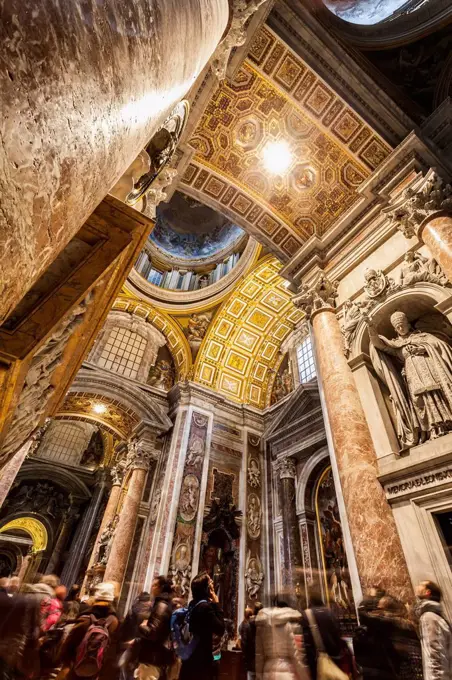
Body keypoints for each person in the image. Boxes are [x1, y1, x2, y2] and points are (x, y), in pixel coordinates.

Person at [57, 582, 119, 680]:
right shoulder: (115, 621)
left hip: (76, 666)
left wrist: (65, 663)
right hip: (97, 668)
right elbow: (112, 650)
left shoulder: (85, 619)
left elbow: (69, 644)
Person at [356, 593, 422, 680]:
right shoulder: (403, 623)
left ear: (385, 609)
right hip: (406, 667)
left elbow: (366, 617)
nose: (376, 610)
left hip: (402, 669)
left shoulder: (391, 622)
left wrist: (365, 607)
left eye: (379, 607)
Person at [179, 572, 225, 680]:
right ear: (207, 588)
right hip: (200, 662)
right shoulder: (205, 608)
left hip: (189, 658)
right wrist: (216, 604)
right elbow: (220, 629)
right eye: (210, 582)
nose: (213, 582)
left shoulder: (192, 604)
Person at [255, 595, 307, 680]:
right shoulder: (287, 625)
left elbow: (259, 656)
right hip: (285, 672)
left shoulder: (262, 626)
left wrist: (258, 675)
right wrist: (303, 675)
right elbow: (294, 655)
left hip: (268, 671)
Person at [135, 578, 175, 680]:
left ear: (161, 588)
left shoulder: (162, 606)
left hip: (152, 658)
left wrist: (142, 626)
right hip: (151, 656)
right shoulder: (160, 604)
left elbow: (153, 633)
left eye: (154, 585)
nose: (151, 588)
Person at [301, 591, 343, 680]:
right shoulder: (330, 612)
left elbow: (306, 640)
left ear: (310, 600)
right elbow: (338, 632)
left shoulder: (306, 614)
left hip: (316, 658)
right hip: (334, 655)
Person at [416, 580, 452, 680]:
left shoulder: (429, 617)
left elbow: (434, 652)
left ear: (427, 592)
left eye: (421, 585)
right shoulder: (437, 617)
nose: (418, 587)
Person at [241, 602, 263, 680]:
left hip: (251, 659)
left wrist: (245, 657)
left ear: (254, 611)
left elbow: (244, 643)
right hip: (262, 660)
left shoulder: (247, 625)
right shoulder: (265, 625)